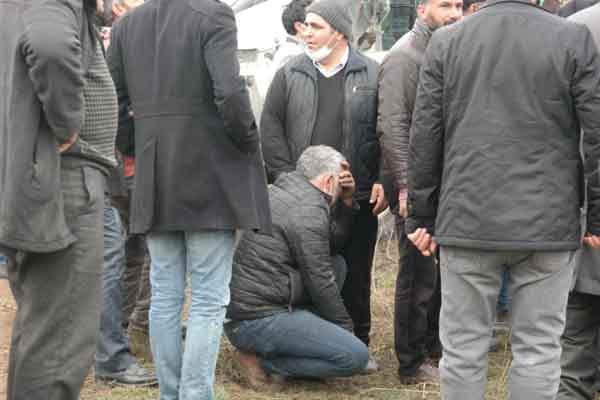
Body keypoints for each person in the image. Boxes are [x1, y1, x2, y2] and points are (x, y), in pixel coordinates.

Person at [406, 0, 600, 399]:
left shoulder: (446, 42)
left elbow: (424, 137)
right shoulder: (570, 37)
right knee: (540, 350)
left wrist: (421, 217)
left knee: (462, 350)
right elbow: (596, 138)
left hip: (468, 220)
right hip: (547, 222)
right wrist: (597, 216)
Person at [106, 0, 271, 397]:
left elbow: (114, 100)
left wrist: (138, 147)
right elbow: (230, 93)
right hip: (210, 169)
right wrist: (248, 141)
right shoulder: (213, 14)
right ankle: (194, 394)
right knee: (209, 298)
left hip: (156, 170)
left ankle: (173, 392)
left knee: (165, 294)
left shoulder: (129, 24)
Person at [1, 0, 119, 398]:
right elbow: (49, 45)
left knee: (43, 329)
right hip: (65, 178)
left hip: (42, 177)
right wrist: (66, 119)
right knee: (59, 343)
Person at [260, 0, 385, 371]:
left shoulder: (372, 73)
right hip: (303, 197)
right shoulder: (289, 73)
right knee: (307, 271)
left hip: (355, 196)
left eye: (315, 26)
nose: (306, 33)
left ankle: (357, 344)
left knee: (356, 271)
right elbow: (271, 128)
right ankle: (310, 344)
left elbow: (386, 132)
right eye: (304, 27)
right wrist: (290, 181)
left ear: (339, 31)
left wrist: (380, 180)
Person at [225, 145, 369, 386]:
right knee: (355, 357)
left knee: (338, 265)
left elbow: (331, 245)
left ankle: (291, 346)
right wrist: (346, 332)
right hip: (256, 318)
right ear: (329, 180)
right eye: (339, 183)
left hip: (249, 307)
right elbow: (320, 280)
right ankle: (265, 361)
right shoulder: (308, 210)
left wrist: (346, 201)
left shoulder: (286, 189)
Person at [377, 0, 462, 383]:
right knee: (416, 274)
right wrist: (408, 185)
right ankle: (410, 362)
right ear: (421, 8)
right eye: (445, 4)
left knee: (437, 273)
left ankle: (433, 346)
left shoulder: (444, 49)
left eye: (459, 5)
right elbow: (392, 126)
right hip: (416, 186)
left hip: (443, 183)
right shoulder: (404, 57)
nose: (455, 13)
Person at [557, 7, 600, 400]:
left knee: (573, 360)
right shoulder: (575, 28)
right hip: (583, 215)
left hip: (578, 211)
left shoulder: (574, 28)